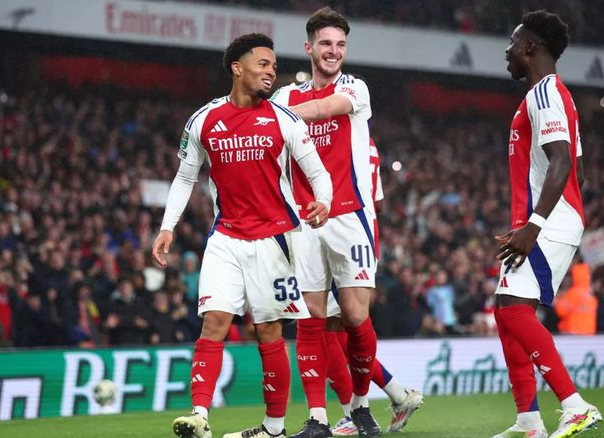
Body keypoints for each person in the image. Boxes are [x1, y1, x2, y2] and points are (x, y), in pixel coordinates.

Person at [153, 33, 332, 438]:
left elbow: (319, 173)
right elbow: (185, 177)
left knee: (268, 331)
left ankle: (274, 429)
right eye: (263, 64)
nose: (271, 72)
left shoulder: (285, 120)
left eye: (273, 66)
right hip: (226, 238)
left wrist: (322, 200)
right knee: (214, 321)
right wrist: (167, 227)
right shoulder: (204, 120)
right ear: (237, 68)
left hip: (276, 241)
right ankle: (200, 415)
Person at [492, 10, 602, 438]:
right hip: (546, 219)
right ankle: (528, 420)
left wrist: (535, 225)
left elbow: (561, 162)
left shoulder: (544, 94)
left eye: (513, 43)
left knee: (513, 308)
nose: (507, 50)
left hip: (549, 222)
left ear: (530, 47)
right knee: (505, 309)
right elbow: (577, 168)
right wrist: (529, 222)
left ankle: (574, 405)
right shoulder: (556, 96)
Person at [271, 8, 381, 437]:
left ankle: (360, 405)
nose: (334, 51)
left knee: (354, 314)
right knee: (310, 318)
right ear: (309, 48)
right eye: (326, 44)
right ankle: (318, 417)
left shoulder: (355, 87)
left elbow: (323, 109)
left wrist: (282, 115)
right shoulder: (285, 95)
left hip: (349, 214)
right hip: (304, 220)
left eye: (340, 45)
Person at [327, 139, 423, 436]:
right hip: (365, 239)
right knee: (340, 329)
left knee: (325, 328)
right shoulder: (367, 143)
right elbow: (378, 203)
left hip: (338, 236)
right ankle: (397, 393)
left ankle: (352, 413)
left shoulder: (327, 135)